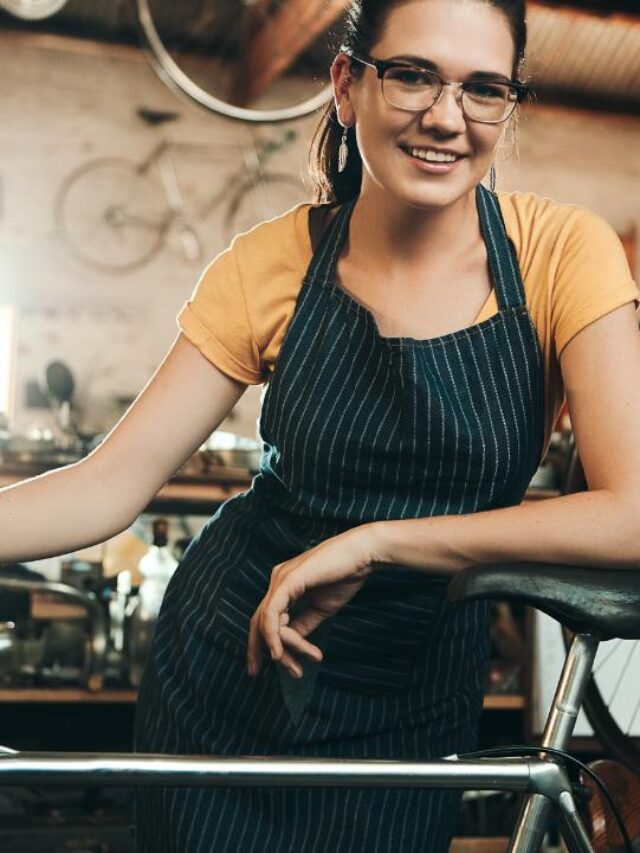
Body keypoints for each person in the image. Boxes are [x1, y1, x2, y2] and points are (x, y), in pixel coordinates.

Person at [2, 0, 640, 849]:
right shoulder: (269, 265)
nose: (447, 118)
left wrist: (380, 541)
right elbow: (104, 486)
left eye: (483, 89)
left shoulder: (562, 254)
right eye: (413, 74)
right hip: (230, 663)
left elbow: (631, 513)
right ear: (346, 86)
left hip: (415, 688)